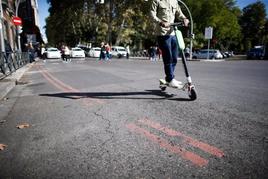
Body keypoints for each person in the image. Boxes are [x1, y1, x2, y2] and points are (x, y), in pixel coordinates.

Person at [150, 0, 189, 88]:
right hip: (162, 33)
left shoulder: (174, 1)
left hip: (172, 33)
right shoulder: (156, 1)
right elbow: (152, 14)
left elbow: (179, 13)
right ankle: (171, 79)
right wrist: (161, 22)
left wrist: (184, 19)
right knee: (168, 57)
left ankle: (169, 78)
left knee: (174, 58)